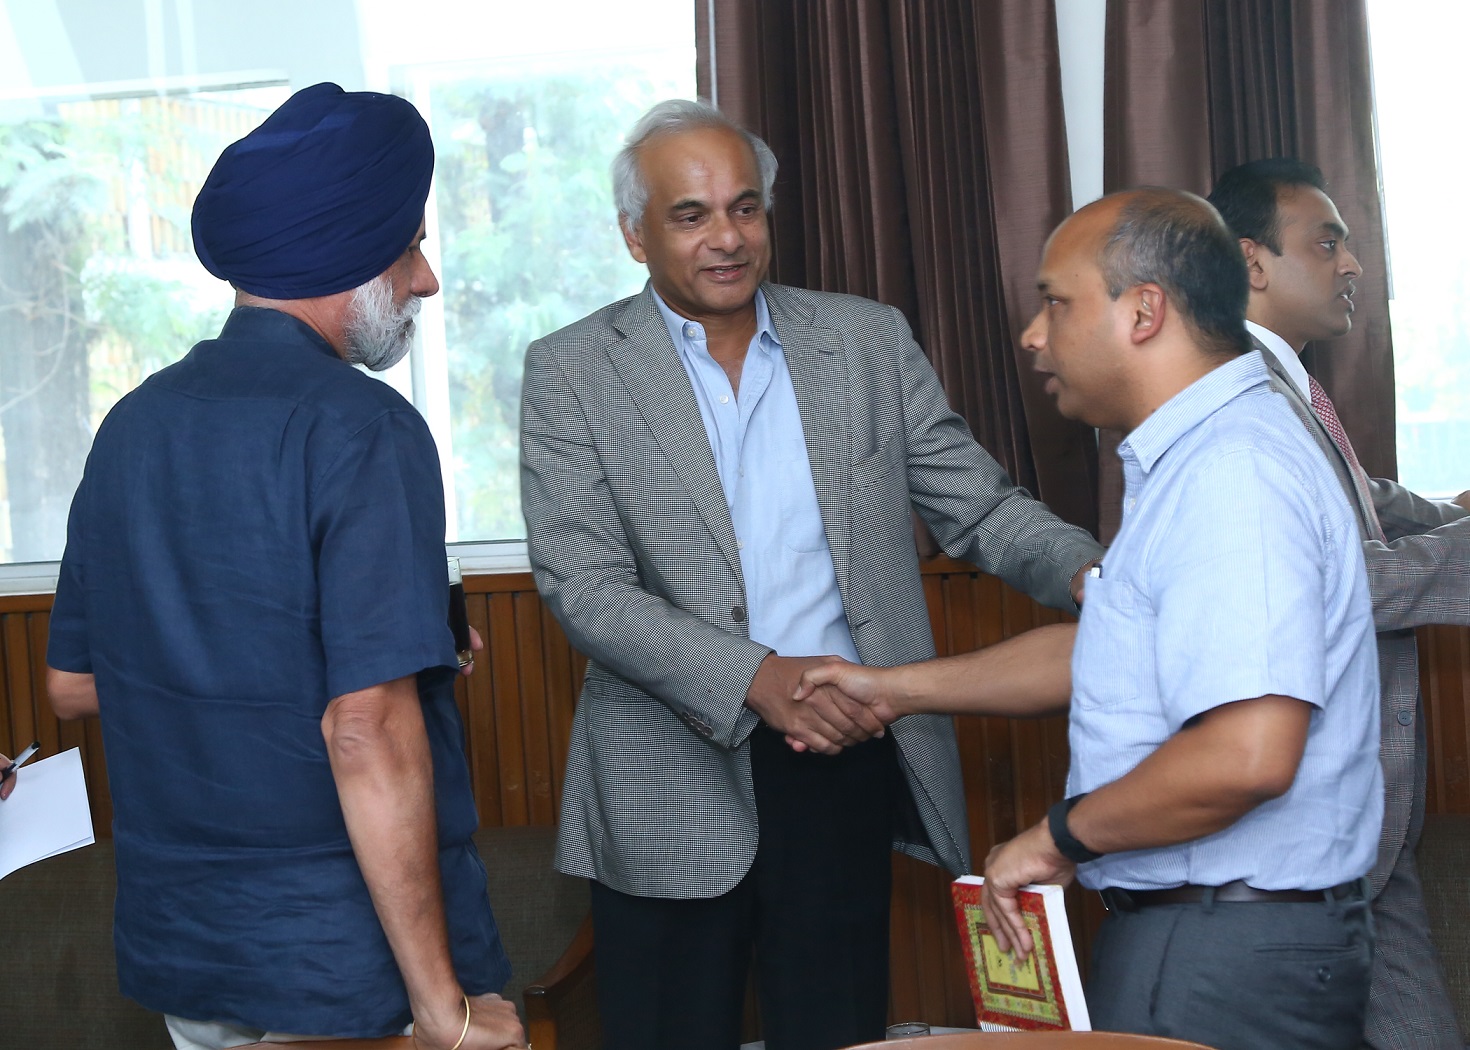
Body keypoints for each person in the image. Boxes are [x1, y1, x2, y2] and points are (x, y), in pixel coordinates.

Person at [518, 98, 1103, 1050]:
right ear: (634, 235)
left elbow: (981, 507)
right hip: (665, 775)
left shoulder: (865, 342)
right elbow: (585, 587)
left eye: (745, 208)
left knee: (836, 1031)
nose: (727, 239)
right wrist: (756, 675)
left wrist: (1091, 573)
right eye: (690, 215)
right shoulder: (572, 371)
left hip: (841, 754)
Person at [797, 188, 1384, 1050]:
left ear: (1143, 311)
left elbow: (1247, 754)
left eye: (1056, 302)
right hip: (1206, 936)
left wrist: (1056, 838)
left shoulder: (1234, 473)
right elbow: (1112, 651)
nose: (1033, 335)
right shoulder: (1195, 458)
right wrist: (891, 690)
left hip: (1222, 952)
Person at [45, 83, 525, 1050]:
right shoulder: (364, 428)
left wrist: (365, 656)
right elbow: (366, 727)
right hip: (346, 965)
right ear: (349, 256)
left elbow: (73, 685)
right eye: (409, 247)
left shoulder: (131, 425)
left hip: (189, 953)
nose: (426, 280)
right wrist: (444, 1011)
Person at [1209, 158, 1470, 1050]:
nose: (1353, 264)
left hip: (1363, 811)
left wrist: (1452, 511)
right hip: (1307, 816)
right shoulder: (1240, 396)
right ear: (1251, 261)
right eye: (1327, 243)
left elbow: (1360, 499)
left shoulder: (1284, 383)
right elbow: (1338, 581)